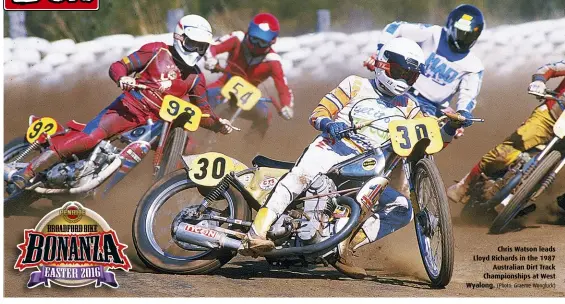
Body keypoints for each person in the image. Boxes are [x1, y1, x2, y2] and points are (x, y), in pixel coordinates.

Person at [239, 37, 471, 279]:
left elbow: (431, 142)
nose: (403, 81)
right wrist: (328, 123)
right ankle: (257, 232)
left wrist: (451, 127)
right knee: (299, 177)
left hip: (370, 170)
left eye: (410, 77)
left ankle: (343, 248)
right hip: (331, 150)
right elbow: (318, 113)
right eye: (400, 72)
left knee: (402, 209)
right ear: (385, 65)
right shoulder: (355, 85)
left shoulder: (410, 107)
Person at [11, 15, 235, 189]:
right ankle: (28, 171)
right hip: (128, 109)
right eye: (193, 44)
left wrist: (218, 124)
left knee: (188, 152)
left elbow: (203, 113)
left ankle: (163, 197)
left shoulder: (197, 77)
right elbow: (118, 66)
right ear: (179, 37)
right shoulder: (156, 51)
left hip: (157, 125)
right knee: (90, 138)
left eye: (201, 46)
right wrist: (123, 78)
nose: (196, 51)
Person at [447, 60, 565, 213]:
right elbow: (548, 68)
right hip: (550, 115)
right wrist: (539, 82)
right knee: (506, 152)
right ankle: (465, 184)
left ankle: (543, 205)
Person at [363, 4, 484, 126]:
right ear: (451, 26)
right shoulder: (434, 33)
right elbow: (396, 27)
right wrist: (380, 53)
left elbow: (468, 96)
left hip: (431, 109)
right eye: (460, 33)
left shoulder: (474, 66)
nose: (464, 39)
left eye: (469, 36)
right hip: (402, 90)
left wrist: (463, 113)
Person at [203, 12, 294, 139]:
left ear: (272, 42)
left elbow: (283, 87)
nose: (256, 46)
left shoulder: (273, 61)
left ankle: (248, 152)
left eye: (262, 43)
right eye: (254, 39)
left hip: (248, 98)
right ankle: (187, 140)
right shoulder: (237, 38)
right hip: (222, 86)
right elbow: (212, 47)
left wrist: (286, 106)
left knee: (265, 115)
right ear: (248, 33)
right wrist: (210, 59)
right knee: (200, 99)